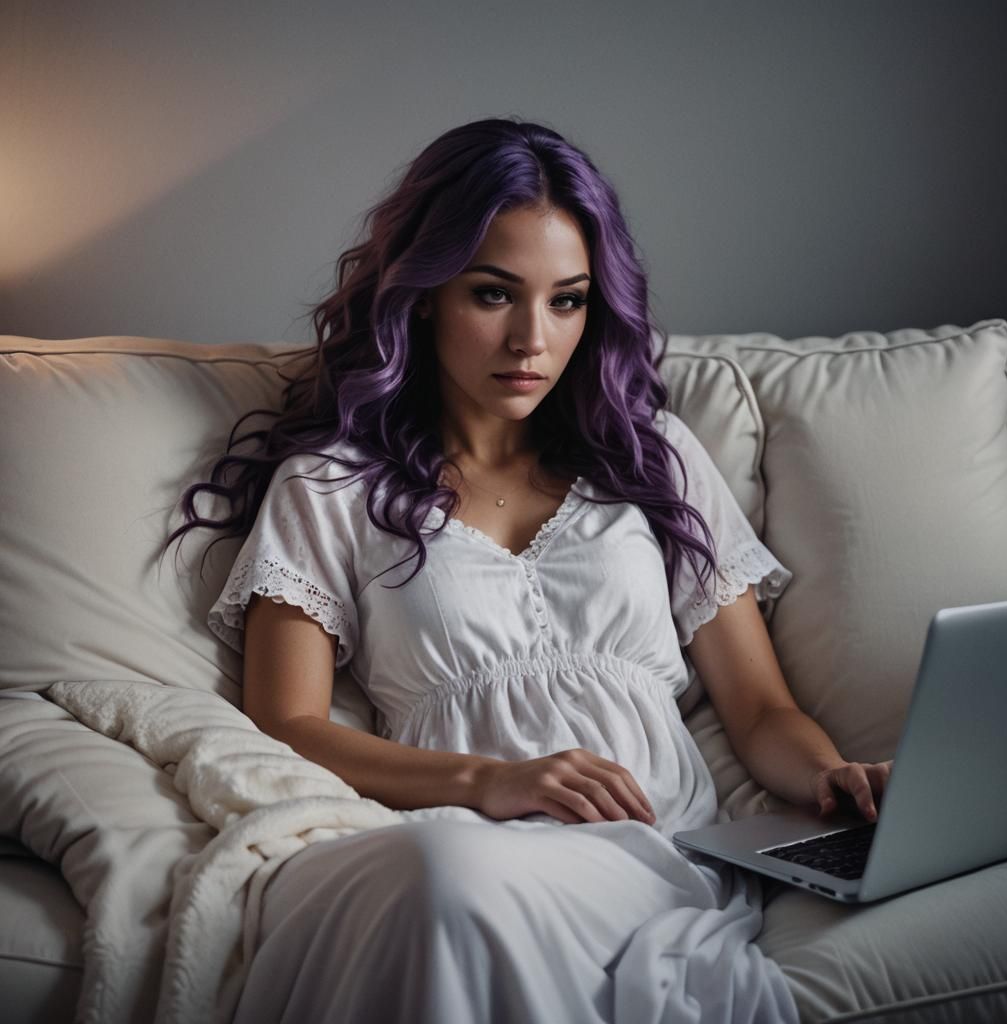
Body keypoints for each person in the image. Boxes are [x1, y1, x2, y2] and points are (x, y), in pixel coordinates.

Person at [169, 117, 891, 1023]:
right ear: (425, 293)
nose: (531, 341)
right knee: (445, 876)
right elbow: (289, 724)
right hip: (455, 839)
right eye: (493, 294)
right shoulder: (329, 485)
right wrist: (489, 781)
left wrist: (832, 777)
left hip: (647, 850)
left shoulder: (653, 458)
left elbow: (759, 708)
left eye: (566, 300)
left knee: (453, 885)